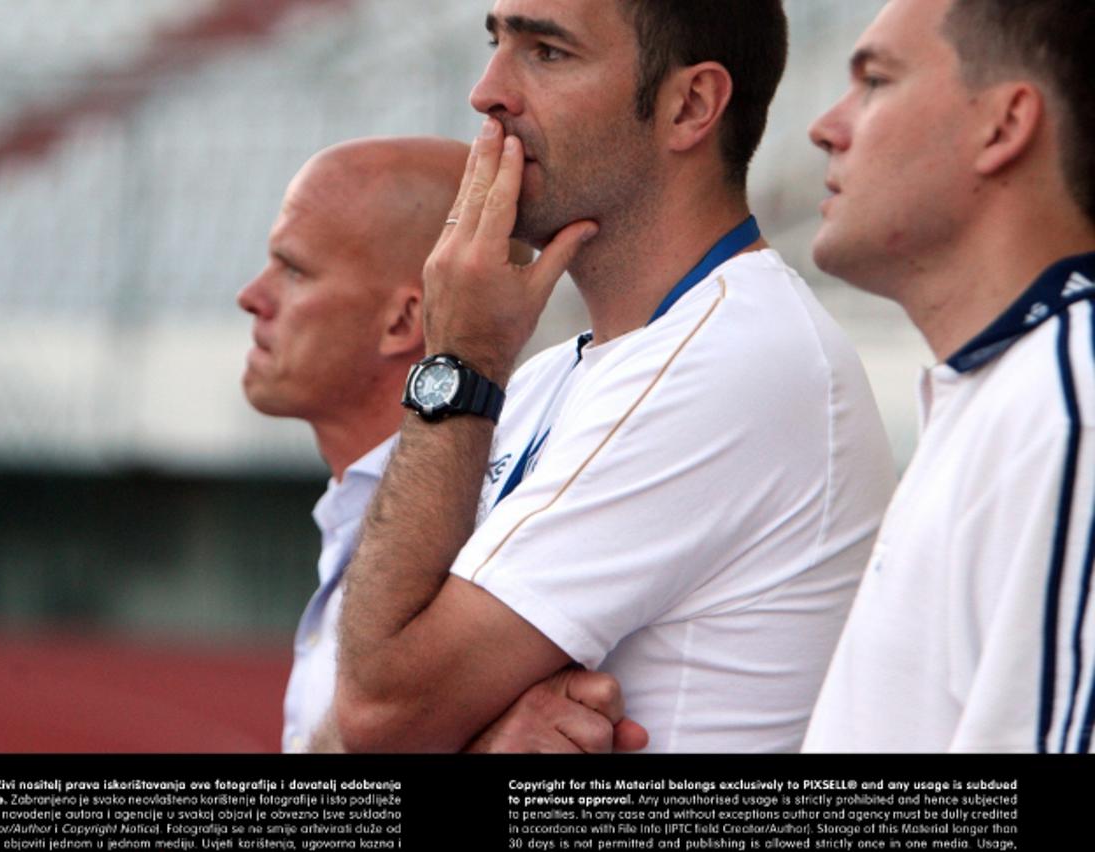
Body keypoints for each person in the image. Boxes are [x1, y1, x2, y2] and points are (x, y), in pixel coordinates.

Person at [327, 1, 895, 753]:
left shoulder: (732, 359)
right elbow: (346, 732)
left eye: (547, 52)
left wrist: (457, 365)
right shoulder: (544, 378)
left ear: (689, 106)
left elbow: (379, 715)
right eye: (497, 42)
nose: (487, 91)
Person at [238, 135, 647, 753]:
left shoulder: (502, 532)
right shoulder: (366, 507)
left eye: (293, 270)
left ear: (403, 322)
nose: (253, 296)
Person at [802, 0, 1095, 753]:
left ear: (1003, 126)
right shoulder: (1015, 388)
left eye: (875, 80)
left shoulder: (1070, 411)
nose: (826, 126)